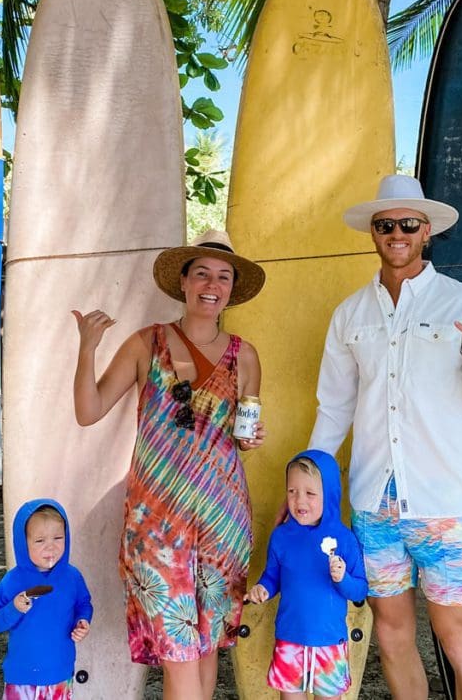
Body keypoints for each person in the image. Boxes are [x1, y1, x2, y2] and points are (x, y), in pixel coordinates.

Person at [308, 174, 462, 700]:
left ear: (426, 231)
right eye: (386, 224)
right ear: (373, 233)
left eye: (408, 224)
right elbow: (333, 408)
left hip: (442, 505)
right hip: (374, 507)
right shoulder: (350, 314)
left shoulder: (461, 302)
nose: (396, 233)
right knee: (391, 634)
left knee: (458, 638)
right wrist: (310, 483)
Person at [71, 230, 266, 700]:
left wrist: (252, 439)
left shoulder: (246, 356)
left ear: (230, 290)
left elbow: (242, 432)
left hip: (223, 521)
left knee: (205, 648)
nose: (211, 284)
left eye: (222, 276)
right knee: (178, 650)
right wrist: (86, 347)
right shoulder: (146, 344)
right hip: (157, 525)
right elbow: (89, 409)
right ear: (182, 282)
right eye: (201, 273)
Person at [246, 449, 367, 700]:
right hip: (290, 640)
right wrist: (263, 588)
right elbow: (272, 577)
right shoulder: (281, 536)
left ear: (330, 495)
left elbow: (360, 590)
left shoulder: (344, 540)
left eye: (310, 494)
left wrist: (342, 578)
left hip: (330, 643)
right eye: (292, 491)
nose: (300, 501)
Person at [0, 499, 93, 699]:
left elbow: (84, 604)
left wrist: (83, 621)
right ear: (22, 542)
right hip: (21, 676)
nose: (50, 548)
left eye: (58, 538)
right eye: (40, 540)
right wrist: (13, 608)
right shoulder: (13, 581)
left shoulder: (72, 577)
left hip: (60, 673)